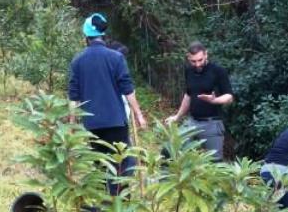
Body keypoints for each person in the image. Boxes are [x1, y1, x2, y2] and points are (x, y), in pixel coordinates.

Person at [68, 12, 147, 191]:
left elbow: (74, 97)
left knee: (101, 164)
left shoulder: (78, 61)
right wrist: (139, 115)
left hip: (92, 124)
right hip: (116, 122)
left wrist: (72, 125)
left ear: (86, 37)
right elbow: (128, 90)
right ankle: (120, 204)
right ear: (103, 35)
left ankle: (104, 204)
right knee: (121, 163)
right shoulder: (115, 58)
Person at [166, 42, 233, 160]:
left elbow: (229, 97)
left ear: (206, 54)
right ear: (188, 58)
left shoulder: (218, 71)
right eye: (193, 61)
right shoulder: (189, 71)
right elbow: (188, 95)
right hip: (192, 122)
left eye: (200, 60)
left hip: (212, 124)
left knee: (215, 164)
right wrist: (177, 117)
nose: (197, 64)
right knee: (172, 152)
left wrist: (214, 100)